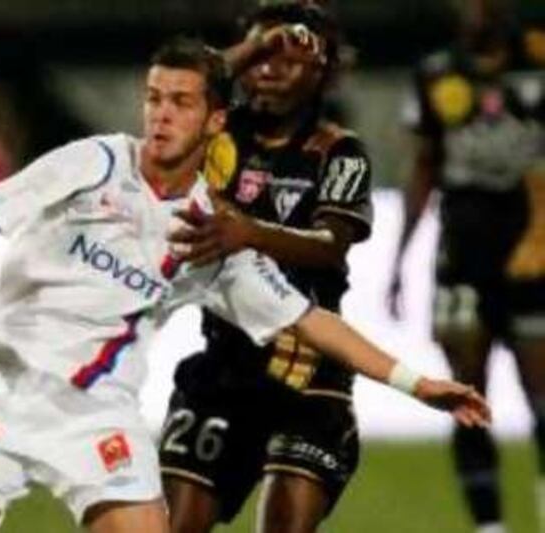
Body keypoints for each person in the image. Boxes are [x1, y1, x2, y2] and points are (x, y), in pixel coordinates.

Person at [0, 37, 488, 533]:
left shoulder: (211, 235)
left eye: (181, 103)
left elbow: (309, 320)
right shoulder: (93, 161)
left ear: (216, 120)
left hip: (94, 413)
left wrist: (417, 382)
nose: (161, 115)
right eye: (154, 98)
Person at [158, 4, 377, 532]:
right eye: (260, 56)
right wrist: (258, 44)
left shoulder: (338, 152)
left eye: (291, 59)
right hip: (223, 369)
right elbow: (182, 84)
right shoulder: (216, 135)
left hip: (306, 376)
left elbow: (330, 244)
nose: (270, 68)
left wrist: (249, 233)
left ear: (324, 71)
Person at [388, 1, 545, 532]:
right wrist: (399, 258)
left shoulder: (539, 59)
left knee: (542, 394)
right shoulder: (436, 72)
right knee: (468, 396)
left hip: (534, 258)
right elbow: (424, 166)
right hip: (462, 257)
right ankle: (490, 528)